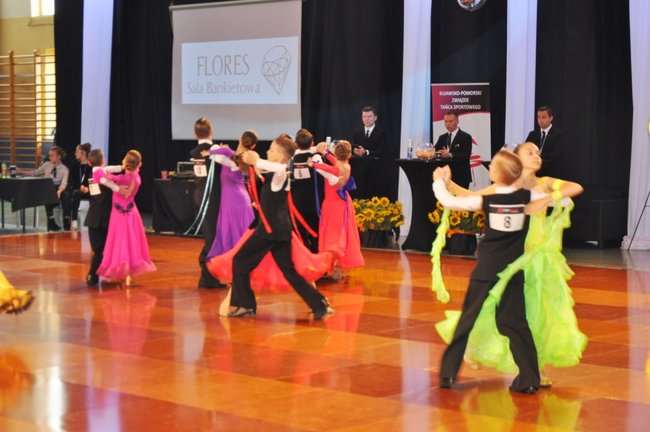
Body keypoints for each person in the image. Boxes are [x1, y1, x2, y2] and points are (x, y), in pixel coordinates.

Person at [432, 150, 541, 394]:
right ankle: (530, 378)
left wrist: (439, 181)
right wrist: (550, 198)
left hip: (486, 271)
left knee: (468, 319)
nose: (489, 169)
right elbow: (562, 199)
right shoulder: (527, 197)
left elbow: (449, 202)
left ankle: (448, 374)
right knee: (515, 323)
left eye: (492, 167)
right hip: (512, 272)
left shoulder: (487, 200)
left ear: (497, 174)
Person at [224, 135, 333, 319]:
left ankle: (245, 305)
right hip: (280, 230)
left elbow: (277, 167)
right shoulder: (274, 173)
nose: (268, 151)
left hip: (270, 231)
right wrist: (249, 159)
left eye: (272, 150)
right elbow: (258, 167)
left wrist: (257, 160)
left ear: (281, 156)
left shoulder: (282, 172)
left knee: (240, 261)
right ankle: (319, 304)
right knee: (289, 270)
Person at [97, 150, 156, 286]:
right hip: (131, 212)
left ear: (125, 162)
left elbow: (101, 174)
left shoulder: (120, 179)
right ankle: (128, 274)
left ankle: (121, 271)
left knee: (120, 241)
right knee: (131, 242)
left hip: (118, 214)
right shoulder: (136, 178)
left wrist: (116, 170)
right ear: (139, 164)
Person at [311, 140, 365, 278]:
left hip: (335, 205)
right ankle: (336, 264)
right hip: (338, 202)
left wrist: (314, 164)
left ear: (336, 153)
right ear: (349, 155)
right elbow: (333, 161)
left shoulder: (338, 168)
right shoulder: (344, 164)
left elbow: (327, 168)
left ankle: (336, 264)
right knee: (339, 233)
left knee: (336, 234)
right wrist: (325, 153)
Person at [205, 130, 257, 259]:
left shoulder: (233, 157)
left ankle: (232, 259)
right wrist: (221, 150)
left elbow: (217, 152)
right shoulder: (246, 159)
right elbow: (223, 152)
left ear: (240, 139)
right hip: (242, 199)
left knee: (231, 231)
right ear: (253, 146)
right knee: (242, 233)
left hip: (232, 200)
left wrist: (212, 150)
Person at [433, 111, 475, 255]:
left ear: (457, 121)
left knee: (459, 207)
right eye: (445, 121)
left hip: (461, 177)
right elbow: (435, 152)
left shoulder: (465, 137)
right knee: (446, 208)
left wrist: (450, 154)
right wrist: (434, 153)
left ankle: (460, 242)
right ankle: (446, 240)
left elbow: (466, 155)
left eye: (450, 121)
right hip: (446, 179)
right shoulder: (442, 137)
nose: (448, 124)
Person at [190, 117, 224, 289]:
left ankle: (210, 275)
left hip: (199, 194)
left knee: (211, 235)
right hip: (210, 197)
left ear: (195, 133)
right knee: (212, 237)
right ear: (211, 132)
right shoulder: (214, 150)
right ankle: (207, 277)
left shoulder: (195, 152)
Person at [84, 149, 123, 286]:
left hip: (93, 218)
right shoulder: (103, 177)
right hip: (105, 219)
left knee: (99, 251)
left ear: (89, 163)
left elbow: (95, 196)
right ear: (103, 160)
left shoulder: (92, 177)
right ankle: (94, 275)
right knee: (103, 250)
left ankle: (95, 275)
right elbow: (113, 188)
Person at [17, 146, 70, 231]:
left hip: (58, 188)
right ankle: (51, 221)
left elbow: (64, 183)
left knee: (66, 195)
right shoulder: (46, 164)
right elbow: (35, 173)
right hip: (47, 188)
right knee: (47, 193)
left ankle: (66, 221)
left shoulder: (65, 169)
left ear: (59, 157)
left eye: (52, 155)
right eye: (49, 155)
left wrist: (59, 191)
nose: (50, 157)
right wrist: (21, 171)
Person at [290, 128, 322, 253]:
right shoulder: (315, 157)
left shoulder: (294, 157)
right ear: (312, 142)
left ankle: (303, 255)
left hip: (298, 200)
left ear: (296, 144)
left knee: (300, 230)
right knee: (315, 231)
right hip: (313, 201)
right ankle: (315, 254)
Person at [351, 106, 392, 199]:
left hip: (375, 172)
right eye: (364, 116)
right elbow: (354, 146)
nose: (367, 119)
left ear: (375, 118)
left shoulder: (381, 133)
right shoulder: (357, 131)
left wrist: (366, 152)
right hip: (360, 172)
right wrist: (355, 151)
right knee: (360, 196)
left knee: (373, 197)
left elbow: (382, 151)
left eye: (369, 116)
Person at [525, 105, 562, 177]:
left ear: (551, 118)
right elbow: (526, 149)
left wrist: (538, 155)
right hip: (533, 172)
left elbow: (556, 155)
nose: (540, 120)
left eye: (544, 117)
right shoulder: (532, 134)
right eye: (538, 117)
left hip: (551, 172)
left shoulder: (558, 134)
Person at [68, 143, 92, 230]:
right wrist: (80, 187)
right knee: (75, 193)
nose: (75, 153)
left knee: (94, 194)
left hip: (89, 189)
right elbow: (72, 181)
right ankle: (74, 219)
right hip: (78, 190)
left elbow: (94, 179)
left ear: (83, 153)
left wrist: (88, 188)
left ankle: (92, 220)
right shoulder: (75, 167)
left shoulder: (91, 166)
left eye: (77, 152)